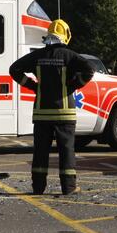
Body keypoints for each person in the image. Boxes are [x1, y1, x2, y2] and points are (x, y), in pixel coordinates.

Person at [9, 19, 94, 195]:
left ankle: (38, 187)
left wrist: (33, 86)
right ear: (65, 35)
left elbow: (14, 69)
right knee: (66, 151)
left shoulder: (37, 56)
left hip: (42, 113)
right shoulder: (69, 56)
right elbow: (89, 69)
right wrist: (73, 85)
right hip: (65, 113)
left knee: (40, 152)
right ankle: (69, 187)